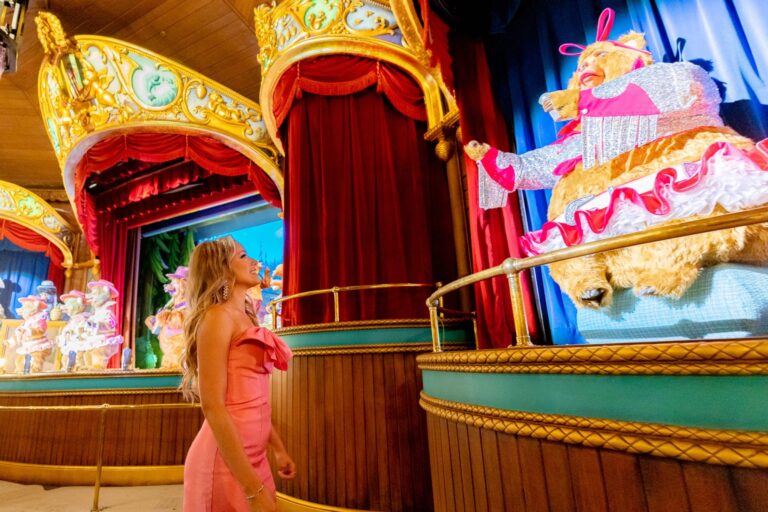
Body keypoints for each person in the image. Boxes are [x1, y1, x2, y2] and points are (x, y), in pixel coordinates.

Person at [181, 237, 296, 511]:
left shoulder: (246, 317)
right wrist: (252, 490)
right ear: (222, 267)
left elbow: (254, 399)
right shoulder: (217, 317)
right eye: (244, 256)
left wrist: (278, 449)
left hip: (254, 459)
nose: (255, 262)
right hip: (225, 463)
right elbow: (213, 405)